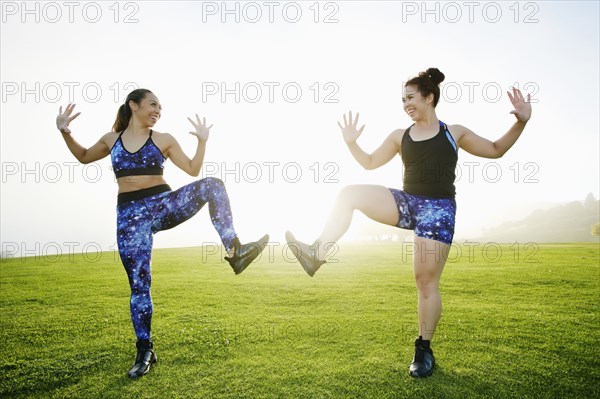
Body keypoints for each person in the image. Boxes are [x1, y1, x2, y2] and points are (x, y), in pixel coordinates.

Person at [285, 68, 531, 377]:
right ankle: (315, 253)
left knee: (425, 282)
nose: (406, 104)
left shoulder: (454, 132)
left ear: (429, 97)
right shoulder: (399, 136)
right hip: (407, 201)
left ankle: (423, 350)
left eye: (411, 97)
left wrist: (520, 121)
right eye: (403, 99)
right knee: (348, 195)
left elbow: (496, 150)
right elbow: (371, 163)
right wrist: (351, 143)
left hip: (438, 210)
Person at [56, 89, 269, 378]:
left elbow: (193, 170)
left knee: (213, 185)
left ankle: (236, 251)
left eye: (160, 107)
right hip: (130, 217)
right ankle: (145, 350)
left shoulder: (164, 139)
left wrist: (203, 142)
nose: (158, 110)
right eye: (153, 104)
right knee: (139, 286)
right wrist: (65, 131)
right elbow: (83, 156)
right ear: (134, 105)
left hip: (163, 205)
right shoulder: (111, 139)